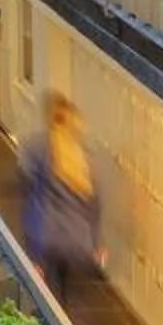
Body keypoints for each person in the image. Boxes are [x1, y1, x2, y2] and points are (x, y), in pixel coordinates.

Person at [26, 91, 98, 283]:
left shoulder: (39, 147)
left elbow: (34, 194)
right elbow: (93, 201)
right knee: (63, 281)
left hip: (47, 232)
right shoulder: (83, 156)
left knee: (48, 283)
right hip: (75, 237)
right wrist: (95, 240)